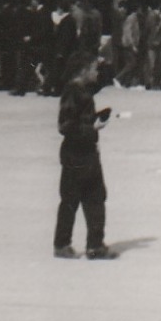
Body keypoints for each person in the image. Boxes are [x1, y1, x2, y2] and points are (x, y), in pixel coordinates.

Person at [53, 52, 117, 260]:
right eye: (94, 69)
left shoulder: (82, 90)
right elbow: (65, 126)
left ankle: (95, 245)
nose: (96, 72)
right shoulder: (73, 92)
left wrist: (95, 120)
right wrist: (92, 128)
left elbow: (103, 81)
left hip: (87, 154)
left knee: (95, 198)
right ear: (83, 70)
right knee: (71, 200)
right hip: (76, 155)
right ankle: (63, 244)